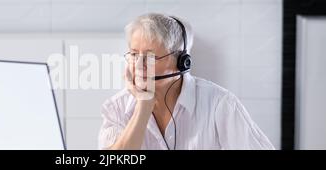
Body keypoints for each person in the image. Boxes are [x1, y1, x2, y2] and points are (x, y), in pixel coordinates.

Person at [98, 13, 274, 150]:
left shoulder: (220, 104)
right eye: (134, 54)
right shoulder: (117, 108)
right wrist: (143, 108)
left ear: (182, 62)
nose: (138, 65)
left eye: (151, 56)